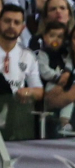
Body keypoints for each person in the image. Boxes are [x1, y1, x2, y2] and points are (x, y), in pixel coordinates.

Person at [0, 4, 44, 139]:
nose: (11, 26)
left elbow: (39, 91)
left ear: (23, 27)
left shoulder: (28, 56)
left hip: (14, 121)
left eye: (16, 22)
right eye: (7, 21)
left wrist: (28, 92)